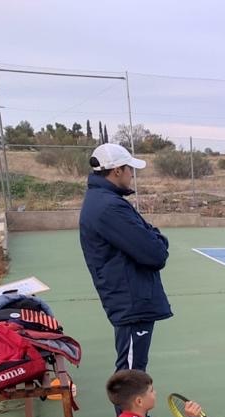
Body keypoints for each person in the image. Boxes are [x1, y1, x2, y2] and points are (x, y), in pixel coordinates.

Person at [80, 142, 171, 374]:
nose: (132, 174)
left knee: (134, 368)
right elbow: (155, 253)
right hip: (130, 301)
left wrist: (154, 238)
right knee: (131, 373)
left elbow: (150, 237)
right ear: (117, 171)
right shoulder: (109, 207)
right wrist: (157, 240)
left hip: (130, 298)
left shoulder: (105, 200)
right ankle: (128, 412)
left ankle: (136, 412)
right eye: (129, 169)